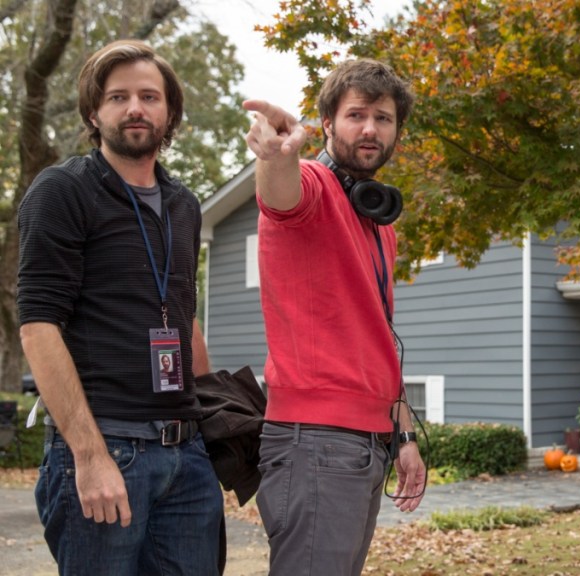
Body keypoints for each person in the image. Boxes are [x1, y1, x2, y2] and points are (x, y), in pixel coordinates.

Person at [17, 40, 219, 575]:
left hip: (187, 454)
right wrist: (88, 455)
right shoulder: (62, 192)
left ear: (169, 112)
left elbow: (184, 315)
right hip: (107, 447)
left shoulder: (184, 204)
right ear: (93, 111)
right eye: (118, 97)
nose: (136, 107)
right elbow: (38, 328)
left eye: (149, 96)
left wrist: (215, 426)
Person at [243, 58, 426, 575]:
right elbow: (280, 193)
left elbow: (378, 338)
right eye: (356, 115)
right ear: (327, 123)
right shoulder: (312, 185)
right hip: (317, 441)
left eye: (384, 118)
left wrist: (403, 435)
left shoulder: (377, 222)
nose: (370, 128)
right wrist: (276, 155)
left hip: (365, 441)